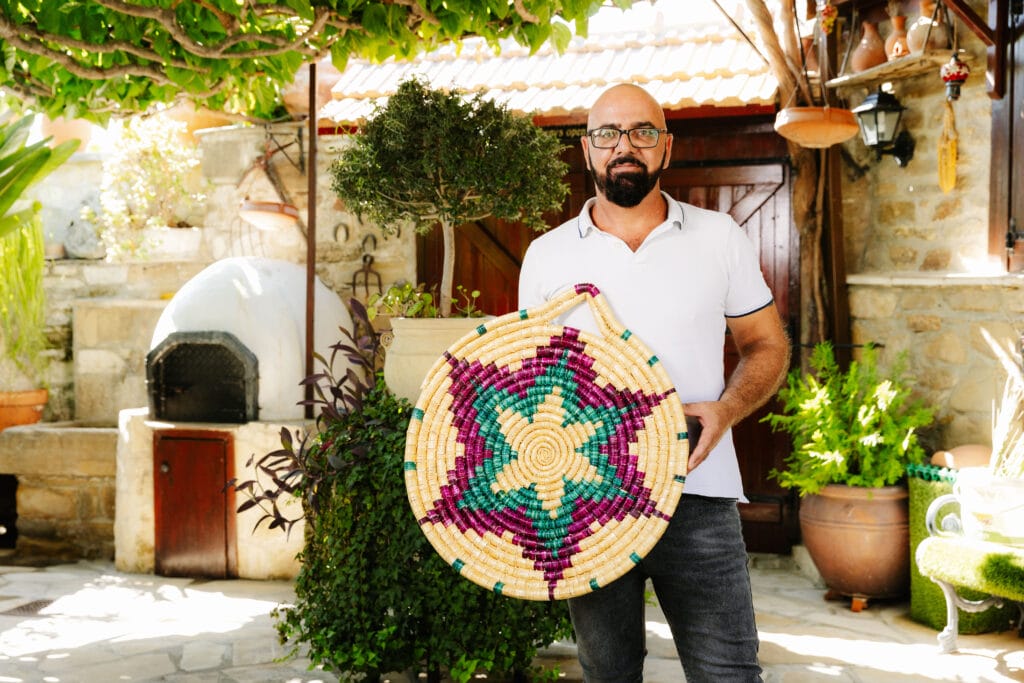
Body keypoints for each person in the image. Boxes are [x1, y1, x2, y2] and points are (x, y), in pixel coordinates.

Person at [517, 83, 791, 682]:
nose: (625, 146)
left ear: (666, 146)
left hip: (698, 493)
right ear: (587, 150)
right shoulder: (545, 256)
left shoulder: (719, 236)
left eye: (643, 132)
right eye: (607, 134)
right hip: (587, 501)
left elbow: (767, 346)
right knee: (609, 673)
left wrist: (725, 409)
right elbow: (530, 384)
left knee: (728, 674)